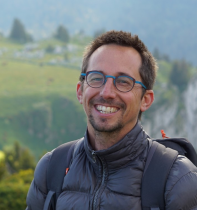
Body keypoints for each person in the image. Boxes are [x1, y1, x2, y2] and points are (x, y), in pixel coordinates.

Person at [26, 30, 197, 210]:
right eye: (96, 78)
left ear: (145, 100)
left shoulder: (178, 180)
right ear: (80, 91)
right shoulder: (51, 168)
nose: (106, 92)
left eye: (123, 81)